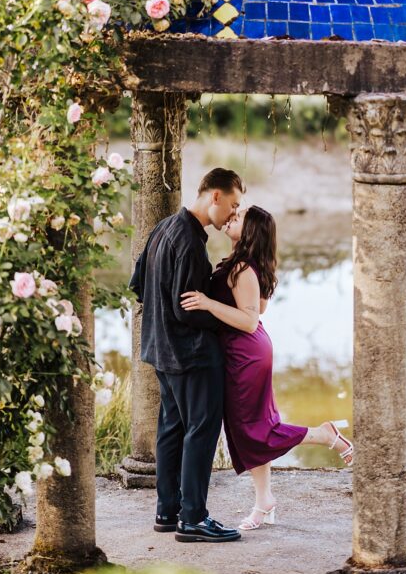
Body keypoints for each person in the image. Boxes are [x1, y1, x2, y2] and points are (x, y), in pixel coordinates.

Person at [180, 204, 353, 531]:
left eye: (239, 215)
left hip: (244, 352)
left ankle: (324, 435)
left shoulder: (243, 268)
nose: (233, 215)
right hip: (245, 352)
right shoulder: (242, 264)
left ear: (250, 231)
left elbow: (249, 320)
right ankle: (264, 502)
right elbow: (257, 304)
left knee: (254, 429)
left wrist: (206, 302)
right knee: (250, 428)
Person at [129, 167, 245, 542]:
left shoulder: (164, 227)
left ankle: (168, 510)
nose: (233, 213)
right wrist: (225, 322)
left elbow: (137, 284)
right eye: (233, 204)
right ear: (215, 195)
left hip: (161, 351)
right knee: (201, 430)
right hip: (192, 355)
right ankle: (193, 517)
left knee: (172, 428)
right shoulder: (192, 243)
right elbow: (187, 309)